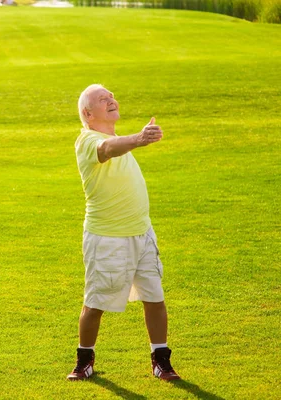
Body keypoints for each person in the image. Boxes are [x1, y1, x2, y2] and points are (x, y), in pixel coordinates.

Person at [67, 84, 180, 381]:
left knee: (154, 296)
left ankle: (161, 360)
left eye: (112, 96)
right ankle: (84, 360)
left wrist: (135, 140)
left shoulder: (120, 139)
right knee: (95, 303)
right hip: (106, 238)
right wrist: (140, 139)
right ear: (88, 114)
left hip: (142, 233)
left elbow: (116, 145)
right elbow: (106, 150)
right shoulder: (88, 140)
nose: (111, 99)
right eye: (103, 99)